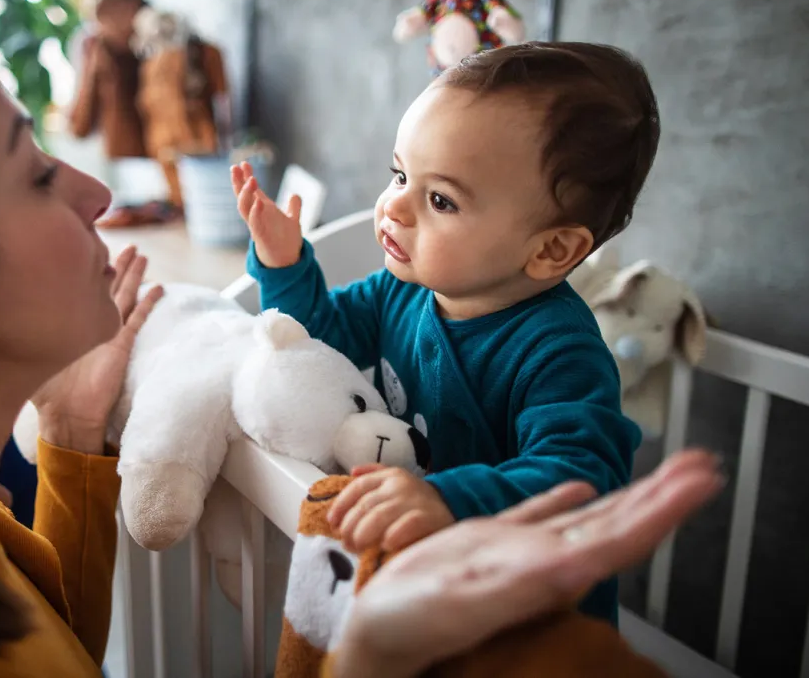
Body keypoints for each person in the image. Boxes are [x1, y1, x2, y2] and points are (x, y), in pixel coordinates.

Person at [0, 27, 717, 678]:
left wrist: (76, 442)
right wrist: (361, 658)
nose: (96, 191)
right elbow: (311, 334)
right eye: (36, 171)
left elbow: (51, 651)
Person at [232, 42, 662, 626]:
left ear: (551, 249)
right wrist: (284, 266)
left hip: (532, 623)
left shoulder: (560, 351)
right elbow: (317, 343)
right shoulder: (400, 292)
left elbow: (582, 477)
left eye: (440, 199)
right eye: (399, 174)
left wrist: (449, 498)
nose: (395, 207)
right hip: (431, 595)